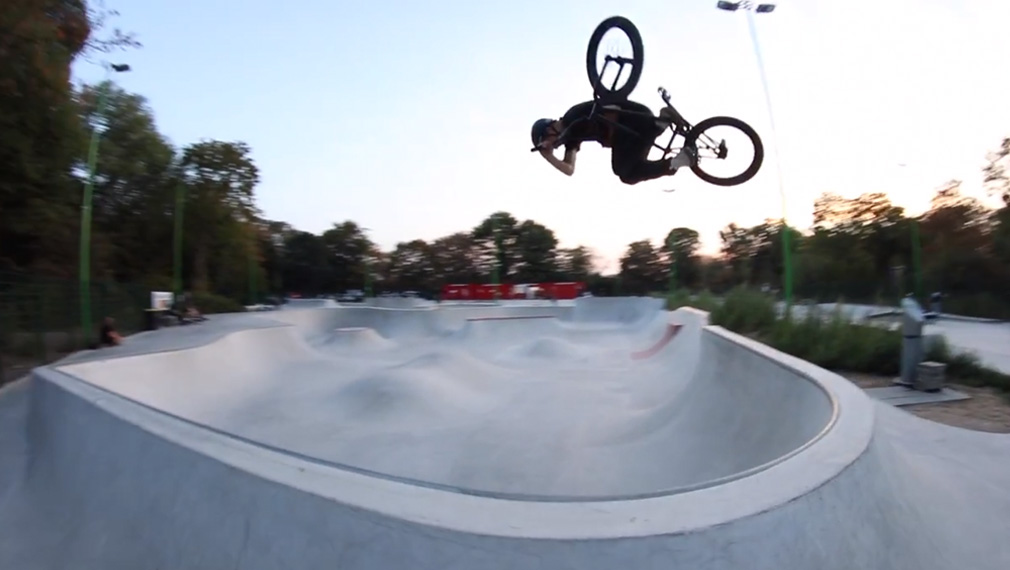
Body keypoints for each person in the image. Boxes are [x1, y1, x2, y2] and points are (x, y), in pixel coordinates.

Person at [531, 99, 696, 185]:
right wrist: (548, 157)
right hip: (631, 130)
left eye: (548, 141)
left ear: (548, 130)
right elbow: (569, 169)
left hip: (629, 120)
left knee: (624, 172)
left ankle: (658, 126)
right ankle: (661, 124)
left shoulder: (572, 117)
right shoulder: (571, 136)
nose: (552, 146)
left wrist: (555, 143)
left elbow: (609, 104)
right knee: (633, 170)